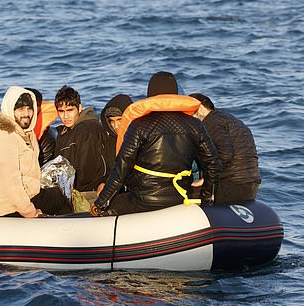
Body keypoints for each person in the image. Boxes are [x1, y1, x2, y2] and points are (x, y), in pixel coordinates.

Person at [91, 71, 220, 216]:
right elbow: (213, 163)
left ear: (150, 95)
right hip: (181, 196)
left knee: (106, 207)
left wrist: (100, 203)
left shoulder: (139, 125)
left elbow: (121, 169)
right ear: (175, 94)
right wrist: (206, 197)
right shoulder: (195, 125)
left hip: (144, 200)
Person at [0, 86, 71, 218]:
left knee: (56, 192)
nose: (26, 113)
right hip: (1, 206)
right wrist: (30, 212)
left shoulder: (25, 133)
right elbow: (10, 184)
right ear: (10, 109)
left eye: (29, 108)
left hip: (20, 195)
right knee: (59, 201)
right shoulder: (3, 137)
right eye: (20, 109)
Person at [189, 93, 261, 203]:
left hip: (232, 183)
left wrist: (207, 179)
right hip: (249, 182)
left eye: (190, 112)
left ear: (201, 107)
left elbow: (225, 153)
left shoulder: (212, 121)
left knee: (186, 192)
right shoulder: (227, 118)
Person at [53, 85, 110, 199]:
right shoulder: (65, 132)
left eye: (70, 110)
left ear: (79, 108)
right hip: (70, 189)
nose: (65, 116)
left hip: (90, 192)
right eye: (61, 111)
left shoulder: (88, 129)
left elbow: (87, 172)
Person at [26, 88, 58, 166]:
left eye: (31, 107)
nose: (26, 112)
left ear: (39, 107)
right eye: (21, 107)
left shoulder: (47, 140)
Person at [100, 94, 134, 159]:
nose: (115, 126)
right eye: (112, 121)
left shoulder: (141, 139)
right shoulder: (109, 143)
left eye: (119, 120)